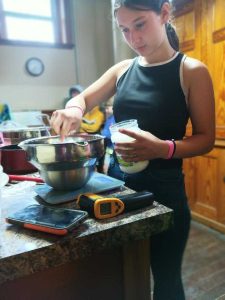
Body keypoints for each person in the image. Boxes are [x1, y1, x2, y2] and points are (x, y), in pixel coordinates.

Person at [50, 0, 215, 299]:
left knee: (166, 280)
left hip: (165, 191)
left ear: (164, 13)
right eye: (125, 30)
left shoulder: (191, 71)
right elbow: (83, 99)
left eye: (140, 25)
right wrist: (73, 108)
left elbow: (205, 138)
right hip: (118, 188)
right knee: (122, 276)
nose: (133, 39)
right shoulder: (123, 70)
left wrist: (162, 148)